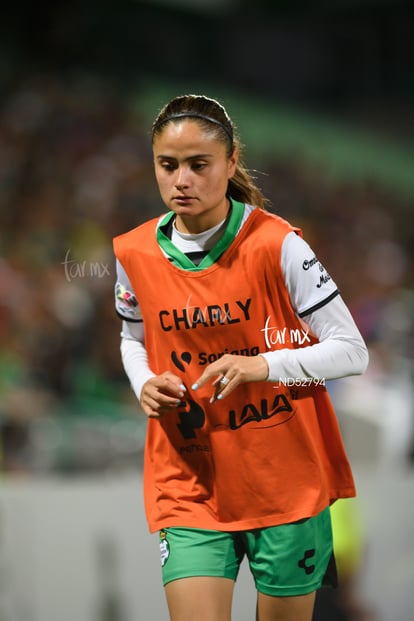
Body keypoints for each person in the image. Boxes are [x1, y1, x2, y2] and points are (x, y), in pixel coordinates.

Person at [113, 94, 369, 621]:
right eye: (168, 165)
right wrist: (143, 380)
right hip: (190, 479)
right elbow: (132, 336)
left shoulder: (279, 244)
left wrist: (263, 365)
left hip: (285, 481)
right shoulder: (133, 254)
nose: (181, 179)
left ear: (231, 164)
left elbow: (352, 350)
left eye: (198, 165)